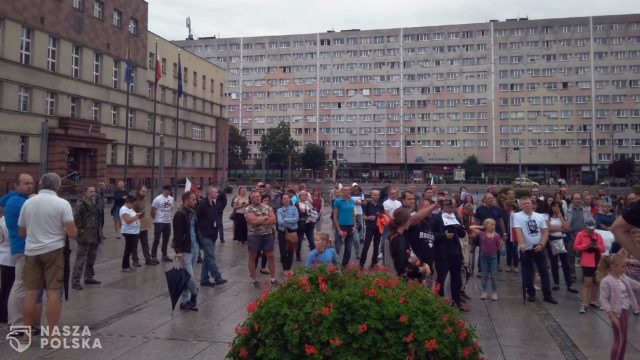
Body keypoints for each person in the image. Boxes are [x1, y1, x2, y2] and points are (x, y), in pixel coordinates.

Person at [18, 173, 77, 344]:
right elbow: (72, 233)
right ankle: (52, 335)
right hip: (54, 250)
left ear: (41, 184)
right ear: (57, 187)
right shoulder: (62, 204)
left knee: (31, 293)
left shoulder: (28, 203)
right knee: (53, 293)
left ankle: (26, 335)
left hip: (31, 251)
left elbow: (21, 232)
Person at [0, 173, 34, 332]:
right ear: (16, 185)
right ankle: (16, 323)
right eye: (26, 183)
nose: (29, 186)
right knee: (20, 285)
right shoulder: (17, 202)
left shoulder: (20, 200)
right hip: (22, 247)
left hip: (23, 247)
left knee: (21, 285)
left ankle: (19, 320)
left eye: (31, 183)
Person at [514, 196, 558, 304]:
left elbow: (545, 231)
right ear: (521, 205)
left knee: (544, 272)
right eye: (524, 204)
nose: (527, 205)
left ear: (532, 205)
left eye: (528, 203)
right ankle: (531, 293)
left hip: (538, 247)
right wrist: (521, 244)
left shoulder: (539, 216)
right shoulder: (517, 216)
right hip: (526, 248)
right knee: (528, 273)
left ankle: (547, 295)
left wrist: (542, 244)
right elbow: (518, 230)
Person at [597, 253, 640, 360]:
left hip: (624, 311)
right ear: (613, 267)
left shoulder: (623, 277)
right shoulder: (606, 281)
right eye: (622, 266)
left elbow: (635, 285)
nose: (625, 268)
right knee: (618, 339)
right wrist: (612, 315)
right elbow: (603, 299)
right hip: (616, 313)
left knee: (624, 340)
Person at [434, 199, 468, 310]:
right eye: (449, 207)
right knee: (441, 279)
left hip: (455, 252)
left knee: (457, 279)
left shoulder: (456, 217)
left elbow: (463, 234)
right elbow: (432, 236)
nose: (451, 209)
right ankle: (440, 302)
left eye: (453, 207)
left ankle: (456, 301)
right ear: (444, 206)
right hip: (442, 253)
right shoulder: (436, 218)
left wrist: (458, 226)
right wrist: (444, 236)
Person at [172, 191, 201, 312]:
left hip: (194, 248)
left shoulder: (192, 212)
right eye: (193, 200)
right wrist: (178, 251)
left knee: (186, 278)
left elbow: (195, 230)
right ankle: (194, 293)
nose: (195, 201)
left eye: (196, 199)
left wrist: (200, 245)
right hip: (184, 250)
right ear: (186, 201)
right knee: (190, 277)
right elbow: (177, 234)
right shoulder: (180, 214)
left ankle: (184, 302)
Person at [245, 191, 279, 288]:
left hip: (267, 235)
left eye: (258, 196)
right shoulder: (248, 209)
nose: (257, 198)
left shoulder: (267, 207)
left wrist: (260, 220)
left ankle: (273, 279)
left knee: (271, 256)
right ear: (251, 199)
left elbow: (273, 220)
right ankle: (254, 279)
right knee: (253, 256)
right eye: (255, 197)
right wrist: (265, 217)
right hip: (254, 236)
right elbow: (254, 222)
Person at [195, 185, 227, 288]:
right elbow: (196, 217)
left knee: (207, 258)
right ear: (209, 194)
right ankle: (217, 277)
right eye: (215, 192)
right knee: (210, 256)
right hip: (204, 234)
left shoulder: (213, 203)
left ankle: (204, 279)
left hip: (212, 233)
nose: (217, 194)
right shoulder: (202, 204)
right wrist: (198, 231)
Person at [71, 186, 102, 290]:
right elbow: (76, 219)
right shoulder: (81, 204)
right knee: (81, 259)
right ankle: (75, 281)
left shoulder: (95, 203)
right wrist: (81, 231)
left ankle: (89, 277)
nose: (93, 193)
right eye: (90, 191)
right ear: (85, 192)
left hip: (94, 235)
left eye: (94, 191)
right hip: (85, 236)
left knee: (91, 258)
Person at [388, 207, 431, 281]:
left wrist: (423, 265)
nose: (410, 221)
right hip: (408, 280)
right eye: (409, 219)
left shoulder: (401, 235)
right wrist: (420, 269)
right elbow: (401, 266)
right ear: (404, 221)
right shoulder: (399, 240)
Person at [545, 201, 578, 293]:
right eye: (554, 206)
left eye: (558, 206)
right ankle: (556, 282)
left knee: (565, 263)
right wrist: (560, 229)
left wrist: (560, 216)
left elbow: (566, 227)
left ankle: (569, 284)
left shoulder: (563, 216)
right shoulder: (548, 217)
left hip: (562, 240)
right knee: (554, 262)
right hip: (552, 240)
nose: (556, 208)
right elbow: (548, 229)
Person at [574, 219, 605, 313]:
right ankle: (583, 304)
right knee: (587, 283)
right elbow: (576, 247)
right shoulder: (580, 234)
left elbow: (603, 249)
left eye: (592, 229)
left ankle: (592, 301)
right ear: (585, 227)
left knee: (596, 282)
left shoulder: (598, 235)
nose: (591, 231)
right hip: (587, 262)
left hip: (597, 261)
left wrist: (597, 247)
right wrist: (586, 246)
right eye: (589, 229)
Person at [470, 219, 501, 300]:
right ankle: (484, 292)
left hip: (493, 257)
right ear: (486, 225)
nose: (492, 226)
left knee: (494, 276)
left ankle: (494, 293)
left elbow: (499, 247)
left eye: (493, 225)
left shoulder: (496, 235)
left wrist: (494, 251)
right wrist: (482, 226)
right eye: (490, 224)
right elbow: (471, 227)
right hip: (484, 257)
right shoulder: (482, 233)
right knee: (484, 275)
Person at [566, 193, 594, 283]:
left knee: (584, 257)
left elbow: (592, 222)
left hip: (583, 237)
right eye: (576, 199)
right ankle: (572, 276)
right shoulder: (567, 211)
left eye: (579, 199)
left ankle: (584, 276)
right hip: (571, 236)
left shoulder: (586, 211)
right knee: (570, 257)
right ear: (572, 200)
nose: (578, 201)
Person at [332, 185, 356, 266]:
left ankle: (344, 265)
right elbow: (335, 216)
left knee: (348, 248)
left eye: (348, 190)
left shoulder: (352, 201)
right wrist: (338, 229)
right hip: (341, 226)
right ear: (342, 191)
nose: (347, 191)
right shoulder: (337, 201)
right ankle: (334, 265)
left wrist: (354, 225)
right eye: (345, 190)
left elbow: (353, 214)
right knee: (337, 247)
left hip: (350, 226)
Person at [360, 190, 384, 268]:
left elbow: (383, 216)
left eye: (377, 195)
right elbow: (363, 216)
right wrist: (368, 218)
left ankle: (374, 263)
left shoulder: (380, 205)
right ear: (371, 195)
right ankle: (361, 264)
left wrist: (380, 215)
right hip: (369, 227)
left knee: (376, 246)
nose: (376, 197)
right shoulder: (367, 204)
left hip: (378, 228)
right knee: (366, 246)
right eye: (375, 195)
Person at [151, 185, 174, 263]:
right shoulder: (157, 199)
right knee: (156, 239)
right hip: (159, 222)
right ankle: (153, 256)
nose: (170, 192)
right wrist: (156, 219)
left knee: (166, 239)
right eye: (169, 190)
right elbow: (152, 211)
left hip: (167, 221)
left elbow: (170, 208)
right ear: (165, 190)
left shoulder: (171, 199)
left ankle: (164, 255)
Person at [131, 186, 153, 266]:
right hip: (135, 224)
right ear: (138, 191)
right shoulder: (135, 201)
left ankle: (148, 259)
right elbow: (131, 213)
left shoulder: (142, 200)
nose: (144, 193)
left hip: (143, 223)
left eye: (145, 192)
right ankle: (135, 260)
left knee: (145, 243)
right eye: (143, 191)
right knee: (134, 244)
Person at [277, 194, 298, 275]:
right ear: (282, 201)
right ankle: (284, 268)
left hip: (292, 232)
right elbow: (280, 222)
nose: (286, 200)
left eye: (288, 198)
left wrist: (285, 219)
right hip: (282, 232)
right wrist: (290, 220)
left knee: (291, 250)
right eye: (284, 198)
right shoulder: (279, 210)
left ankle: (289, 268)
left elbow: (296, 219)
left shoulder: (294, 208)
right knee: (283, 251)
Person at [120, 195, 141, 273]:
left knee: (130, 249)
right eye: (132, 204)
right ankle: (124, 266)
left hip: (134, 231)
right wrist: (136, 217)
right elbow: (128, 221)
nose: (133, 206)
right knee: (128, 249)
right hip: (128, 232)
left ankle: (127, 265)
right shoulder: (124, 209)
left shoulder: (130, 208)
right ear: (129, 203)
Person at [0, 216, 14, 324]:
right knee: (10, 288)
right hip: (10, 256)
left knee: (5, 287)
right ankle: (5, 314)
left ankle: (2, 314)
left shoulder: (2, 219)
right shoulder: (9, 220)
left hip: (3, 254)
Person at [295, 191, 315, 262]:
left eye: (305, 195)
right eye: (302, 195)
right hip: (301, 224)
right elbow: (297, 214)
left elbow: (313, 211)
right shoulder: (297, 204)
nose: (304, 196)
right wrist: (306, 214)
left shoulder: (308, 203)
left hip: (309, 224)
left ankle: (314, 255)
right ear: (299, 196)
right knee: (299, 241)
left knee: (312, 241)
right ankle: (298, 255)